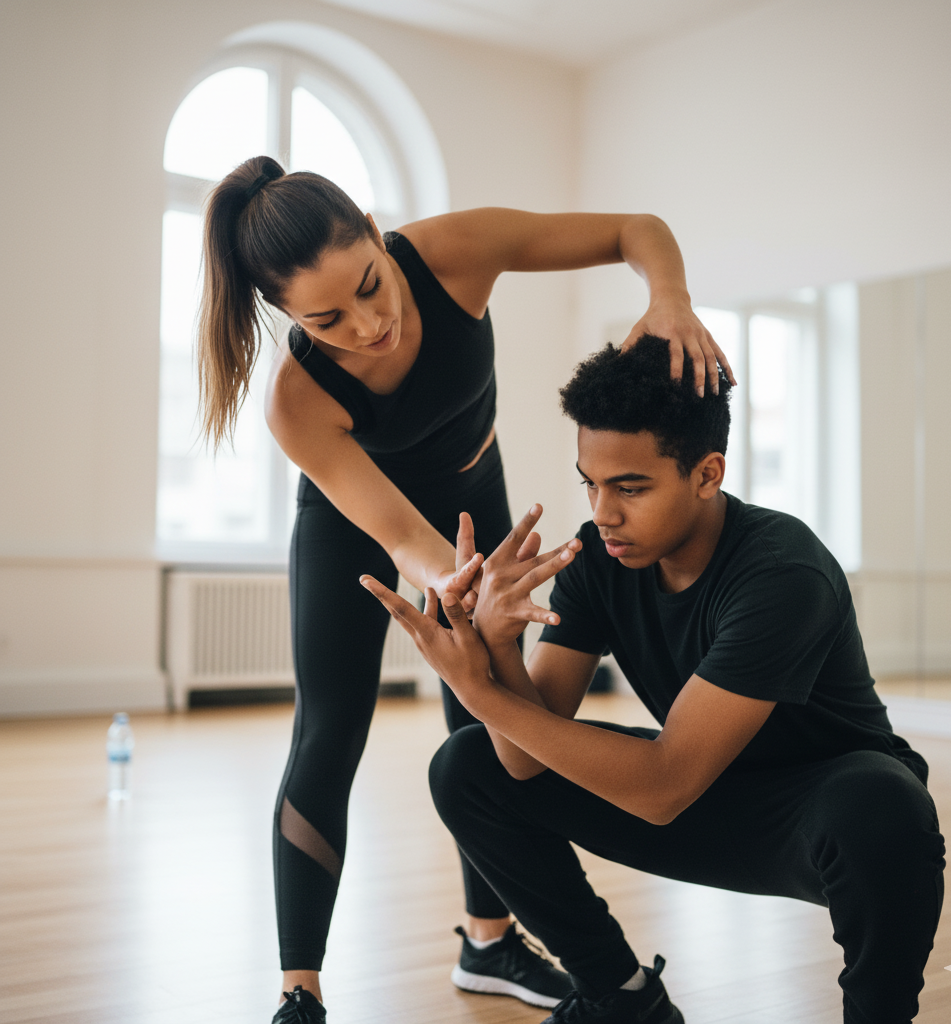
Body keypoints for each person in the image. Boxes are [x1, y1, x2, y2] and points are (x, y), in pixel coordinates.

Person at [196, 156, 735, 1023]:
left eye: (372, 286)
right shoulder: (297, 400)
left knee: (489, 721)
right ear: (285, 315)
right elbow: (403, 535)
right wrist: (462, 585)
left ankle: (489, 944)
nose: (368, 326)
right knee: (329, 731)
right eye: (326, 319)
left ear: (378, 234)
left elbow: (638, 230)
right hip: (359, 531)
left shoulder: (454, 253)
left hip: (472, 494)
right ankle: (301, 993)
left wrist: (667, 300)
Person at [361, 336, 947, 1024]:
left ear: (707, 474)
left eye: (630, 487)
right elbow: (523, 761)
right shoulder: (599, 559)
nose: (604, 512)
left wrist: (479, 690)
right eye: (591, 482)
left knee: (881, 802)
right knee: (469, 764)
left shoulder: (784, 572)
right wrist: (496, 647)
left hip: (816, 818)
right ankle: (624, 1000)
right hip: (703, 797)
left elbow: (665, 786)